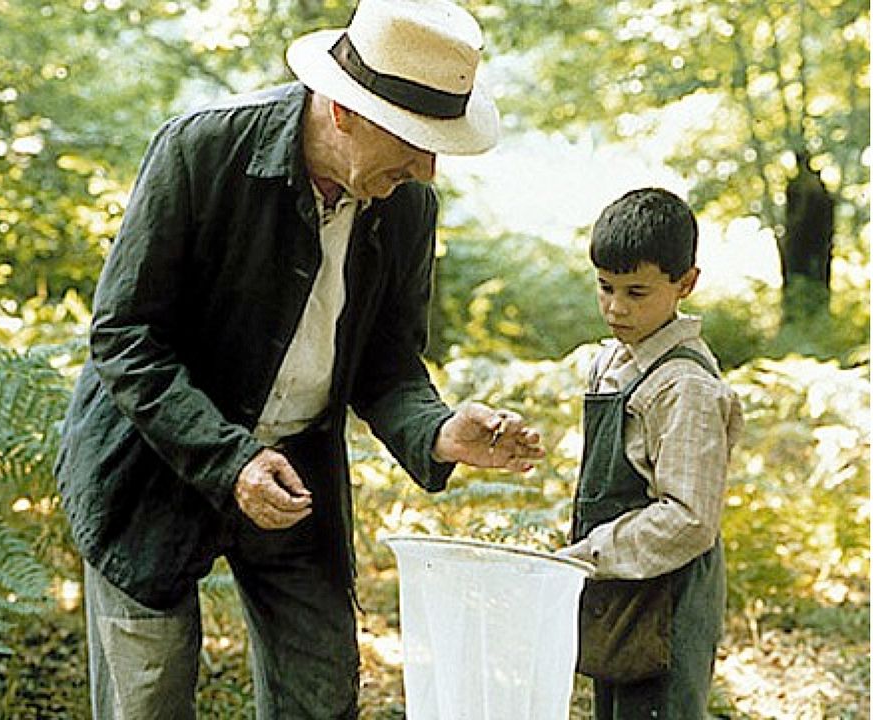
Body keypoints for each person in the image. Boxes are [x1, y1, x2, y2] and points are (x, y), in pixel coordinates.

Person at [53, 0, 544, 717]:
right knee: (145, 696)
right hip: (149, 468)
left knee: (321, 692)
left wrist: (436, 430)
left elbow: (388, 362)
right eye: (413, 139)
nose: (427, 168)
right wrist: (231, 461)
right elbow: (125, 335)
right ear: (343, 110)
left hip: (298, 473)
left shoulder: (406, 203)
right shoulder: (201, 151)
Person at [555, 188, 744, 719]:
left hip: (668, 598)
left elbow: (689, 518)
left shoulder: (684, 386)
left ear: (685, 284)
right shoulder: (615, 363)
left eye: (637, 292)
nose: (616, 308)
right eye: (605, 288)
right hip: (619, 587)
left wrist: (590, 555)